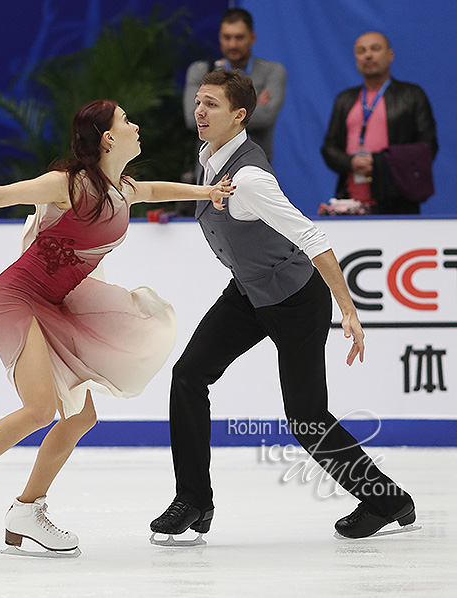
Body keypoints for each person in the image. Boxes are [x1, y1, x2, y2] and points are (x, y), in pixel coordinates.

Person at [0, 99, 232, 557]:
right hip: (15, 298)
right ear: (109, 137)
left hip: (51, 306)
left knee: (80, 417)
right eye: (127, 121)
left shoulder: (122, 189)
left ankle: (27, 510)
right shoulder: (69, 185)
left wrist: (205, 194)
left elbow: (153, 190)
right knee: (39, 409)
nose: (136, 125)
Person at [150, 70, 415, 545]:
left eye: (212, 104)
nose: (200, 111)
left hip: (295, 299)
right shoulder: (208, 155)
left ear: (240, 115)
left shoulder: (250, 177)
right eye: (199, 102)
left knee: (306, 416)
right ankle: (194, 499)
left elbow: (312, 236)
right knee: (188, 375)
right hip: (249, 292)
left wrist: (348, 309)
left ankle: (385, 498)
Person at [321, 32, 438, 215]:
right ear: (356, 59)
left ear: (390, 55)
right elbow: (329, 147)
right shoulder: (345, 100)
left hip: (397, 200)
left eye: (375, 49)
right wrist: (351, 162)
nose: (368, 55)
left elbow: (428, 148)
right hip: (350, 201)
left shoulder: (412, 95)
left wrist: (379, 161)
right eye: (361, 51)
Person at [183, 8, 286, 163]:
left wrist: (217, 114)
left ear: (252, 37)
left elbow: (267, 116)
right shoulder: (201, 70)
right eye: (227, 37)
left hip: (254, 163)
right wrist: (254, 105)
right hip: (209, 163)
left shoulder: (272, 71)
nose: (233, 44)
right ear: (219, 37)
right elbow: (192, 119)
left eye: (239, 38)